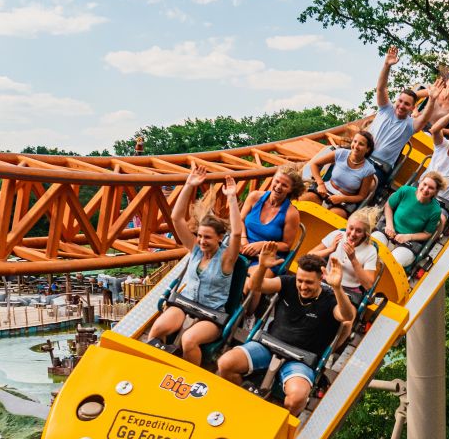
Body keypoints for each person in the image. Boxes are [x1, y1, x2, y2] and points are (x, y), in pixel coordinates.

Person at [216, 246, 356, 416]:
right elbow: (255, 285)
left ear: (321, 279)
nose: (303, 286)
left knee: (297, 398)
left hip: (301, 359)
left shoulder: (330, 298)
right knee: (225, 363)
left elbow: (347, 316)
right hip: (268, 345)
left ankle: (275, 421)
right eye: (300, 280)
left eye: (309, 282)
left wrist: (337, 287)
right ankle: (242, 402)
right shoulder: (288, 283)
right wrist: (262, 267)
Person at [145, 170, 244, 365]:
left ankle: (187, 378)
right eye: (199, 236)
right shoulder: (196, 250)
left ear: (219, 237)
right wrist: (189, 185)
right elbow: (176, 219)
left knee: (189, 340)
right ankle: (154, 366)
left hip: (211, 314)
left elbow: (237, 233)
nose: (201, 241)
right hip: (186, 303)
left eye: (207, 237)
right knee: (157, 329)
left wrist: (232, 197)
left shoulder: (226, 259)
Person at [358, 46, 421, 178]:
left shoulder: (410, 124)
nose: (401, 105)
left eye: (407, 104)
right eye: (400, 101)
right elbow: (381, 89)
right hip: (361, 153)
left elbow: (424, 119)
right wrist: (387, 65)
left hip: (379, 166)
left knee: (364, 177)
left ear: (412, 107)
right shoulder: (386, 108)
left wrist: (432, 100)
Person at [376, 172, 445, 269]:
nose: (425, 189)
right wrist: (389, 225)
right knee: (373, 247)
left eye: (431, 188)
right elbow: (389, 206)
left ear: (436, 192)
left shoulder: (435, 210)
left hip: (408, 244)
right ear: (420, 182)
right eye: (424, 184)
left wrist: (408, 237)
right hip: (388, 230)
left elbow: (427, 234)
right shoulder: (406, 191)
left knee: (391, 263)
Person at [309, 206, 380, 300]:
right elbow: (308, 257)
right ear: (346, 226)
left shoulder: (370, 250)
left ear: (365, 234)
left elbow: (368, 285)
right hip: (326, 282)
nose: (353, 234)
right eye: (351, 228)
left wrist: (353, 259)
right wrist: (330, 249)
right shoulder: (337, 235)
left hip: (349, 291)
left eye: (358, 231)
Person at [240, 168, 304, 269]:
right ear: (272, 179)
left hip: (268, 256)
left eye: (284, 185)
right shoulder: (254, 196)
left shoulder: (291, 213)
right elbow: (240, 220)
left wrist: (263, 245)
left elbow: (286, 245)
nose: (278, 187)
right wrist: (243, 239)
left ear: (290, 189)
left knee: (248, 282)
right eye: (277, 181)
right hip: (243, 247)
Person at [305, 132, 381, 213]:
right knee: (306, 200)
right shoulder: (340, 153)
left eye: (361, 144)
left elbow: (361, 196)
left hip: (345, 200)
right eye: (355, 141)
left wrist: (342, 198)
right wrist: (320, 184)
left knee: (333, 216)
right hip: (325, 190)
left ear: (367, 149)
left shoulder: (369, 170)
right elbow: (314, 164)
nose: (356, 146)